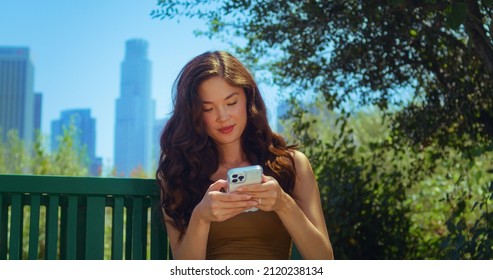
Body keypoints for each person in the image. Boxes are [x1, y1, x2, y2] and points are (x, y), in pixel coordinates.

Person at [156, 51, 333, 260]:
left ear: (248, 99)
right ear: (194, 115)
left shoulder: (292, 164)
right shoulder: (178, 173)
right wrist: (201, 217)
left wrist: (283, 204)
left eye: (231, 103)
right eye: (208, 108)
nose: (223, 117)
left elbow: (324, 260)